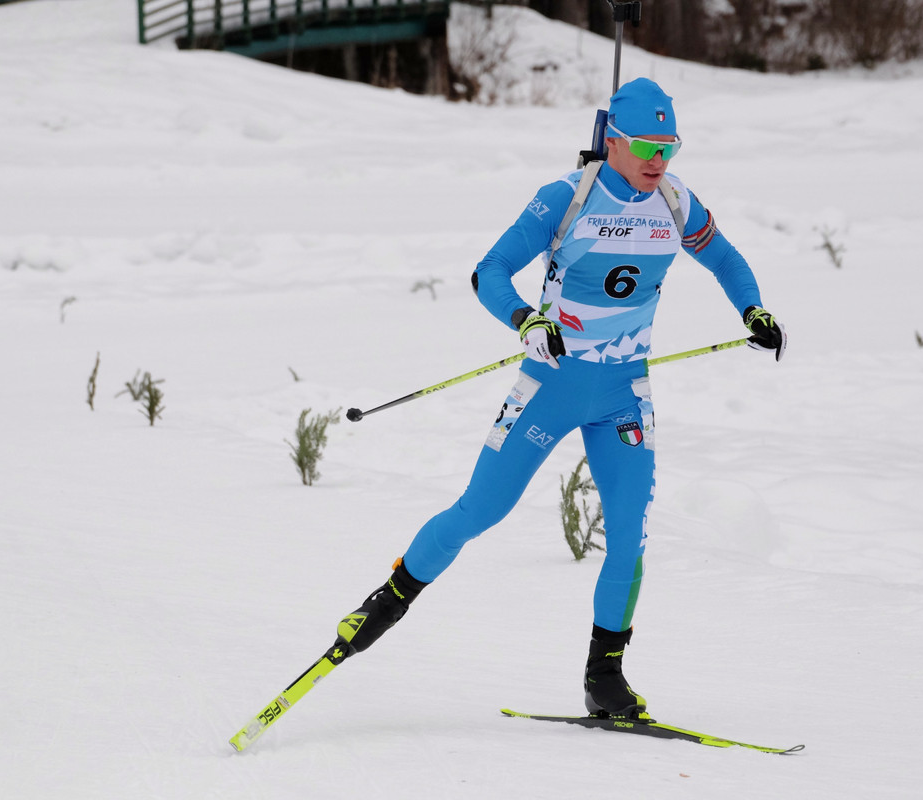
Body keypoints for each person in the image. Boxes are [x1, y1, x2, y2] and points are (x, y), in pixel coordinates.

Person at [332, 78, 786, 718]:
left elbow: (728, 260)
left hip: (625, 393)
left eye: (671, 147)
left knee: (629, 535)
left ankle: (605, 676)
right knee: (480, 511)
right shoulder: (566, 198)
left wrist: (754, 309)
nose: (660, 161)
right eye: (649, 147)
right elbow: (488, 271)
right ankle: (382, 602)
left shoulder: (677, 203)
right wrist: (524, 319)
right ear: (615, 142)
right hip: (550, 387)